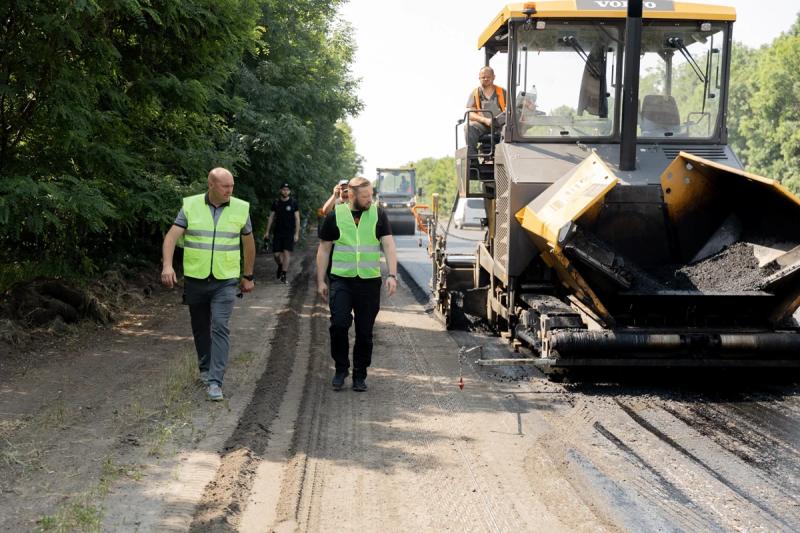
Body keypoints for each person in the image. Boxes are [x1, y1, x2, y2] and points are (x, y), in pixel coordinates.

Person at [161, 167, 255, 401]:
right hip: (196, 278)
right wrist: (167, 266)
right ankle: (205, 368)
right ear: (211, 184)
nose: (230, 191)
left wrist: (248, 275)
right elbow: (172, 236)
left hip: (225, 279)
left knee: (220, 325)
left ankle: (215, 381)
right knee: (201, 326)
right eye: (225, 186)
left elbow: (249, 244)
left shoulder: (241, 208)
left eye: (232, 186)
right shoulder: (191, 206)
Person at [316, 176, 398, 392]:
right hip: (341, 279)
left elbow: (388, 245)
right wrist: (320, 281)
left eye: (371, 194)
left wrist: (392, 275)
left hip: (369, 283)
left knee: (364, 332)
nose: (369, 199)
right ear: (351, 195)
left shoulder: (378, 213)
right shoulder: (336, 215)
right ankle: (341, 369)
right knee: (339, 325)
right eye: (365, 196)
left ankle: (360, 374)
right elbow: (324, 249)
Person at [263, 182, 300, 283]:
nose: (285, 191)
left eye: (287, 190)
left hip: (289, 232)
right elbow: (271, 217)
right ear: (280, 191)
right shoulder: (276, 203)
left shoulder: (293, 203)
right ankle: (280, 265)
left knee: (287, 253)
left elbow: (297, 219)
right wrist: (267, 232)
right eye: (283, 189)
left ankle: (284, 274)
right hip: (278, 232)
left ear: (290, 191)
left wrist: (297, 233)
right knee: (276, 255)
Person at [465, 66, 507, 154]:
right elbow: (470, 113)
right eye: (483, 77)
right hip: (483, 125)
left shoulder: (502, 92)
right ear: (479, 78)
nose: (486, 79)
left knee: (508, 129)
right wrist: (485, 120)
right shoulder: (475, 93)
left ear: (494, 77)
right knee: (469, 127)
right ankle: (472, 159)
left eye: (488, 77)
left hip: (500, 125)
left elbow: (512, 109)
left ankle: (504, 154)